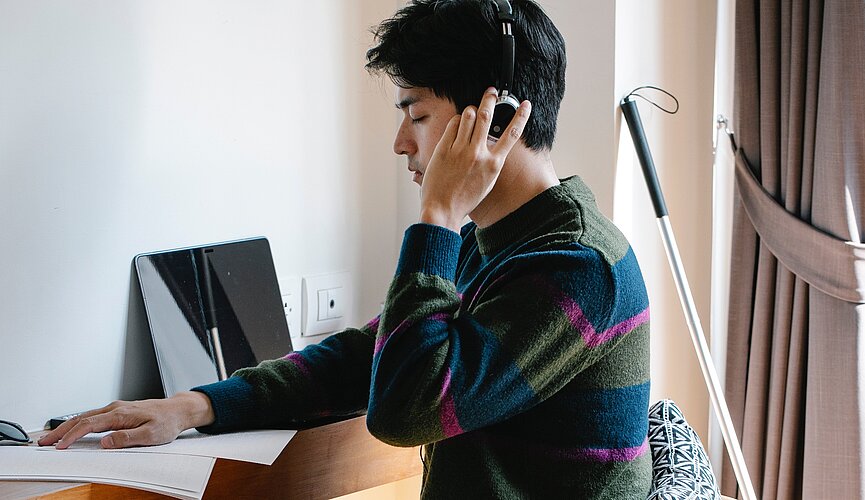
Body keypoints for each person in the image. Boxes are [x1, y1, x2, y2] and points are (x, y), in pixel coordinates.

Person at [40, 0, 652, 497]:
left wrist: (437, 217)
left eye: (415, 114)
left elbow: (406, 409)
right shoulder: (497, 243)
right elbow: (367, 355)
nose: (399, 144)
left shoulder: (577, 265)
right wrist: (194, 406)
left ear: (491, 120)